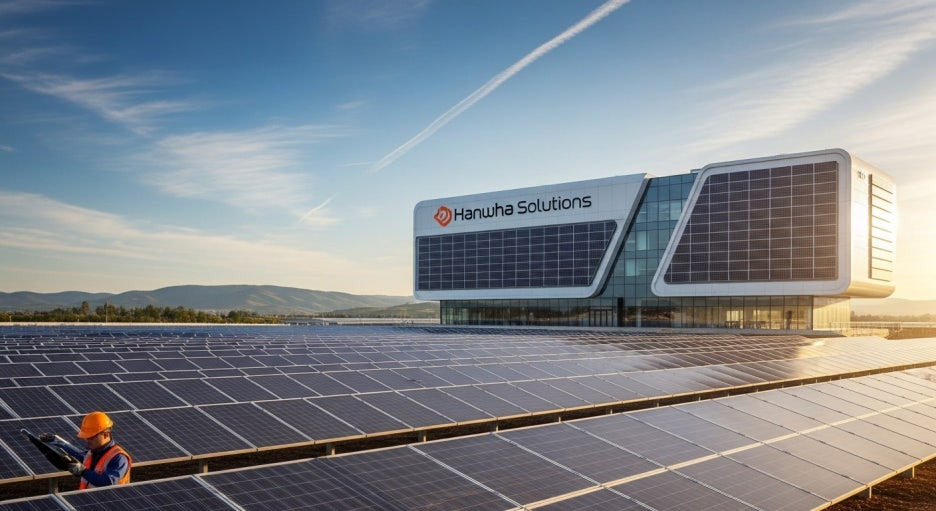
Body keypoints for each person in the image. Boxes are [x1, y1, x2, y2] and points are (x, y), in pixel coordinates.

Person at [39, 411, 132, 488]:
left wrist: (83, 471)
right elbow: (79, 455)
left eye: (91, 437)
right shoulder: (94, 452)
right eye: (86, 437)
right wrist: (58, 443)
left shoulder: (119, 458)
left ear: (106, 434)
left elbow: (107, 482)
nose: (87, 440)